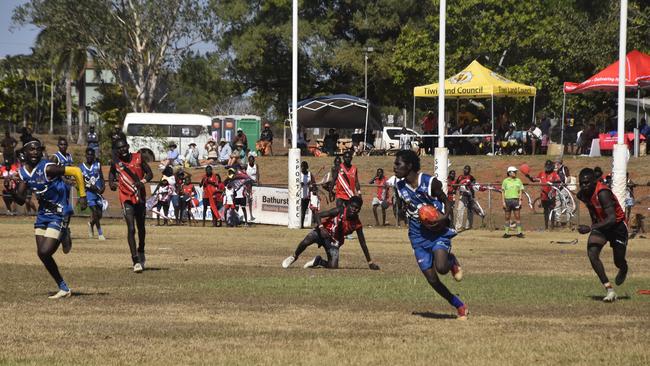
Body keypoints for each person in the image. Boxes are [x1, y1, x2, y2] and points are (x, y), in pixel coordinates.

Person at [391, 150, 467, 320]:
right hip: (417, 237)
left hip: (437, 232)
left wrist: (443, 217)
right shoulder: (400, 185)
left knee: (441, 268)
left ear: (409, 166)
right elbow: (406, 207)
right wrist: (406, 211)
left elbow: (447, 201)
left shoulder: (429, 182)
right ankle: (459, 304)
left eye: (398, 164)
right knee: (432, 280)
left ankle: (451, 260)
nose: (394, 167)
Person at [12, 138, 87, 299]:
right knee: (42, 254)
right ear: (24, 153)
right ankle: (63, 288)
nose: (34, 152)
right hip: (43, 214)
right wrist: (12, 191)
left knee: (46, 251)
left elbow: (76, 172)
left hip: (58, 212)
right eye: (30, 149)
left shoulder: (48, 167)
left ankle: (64, 233)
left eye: (37, 149)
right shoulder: (24, 172)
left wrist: (82, 195)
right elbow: (19, 199)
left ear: (41, 151)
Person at [282, 196, 380, 270]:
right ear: (348, 205)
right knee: (307, 240)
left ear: (359, 209)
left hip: (334, 241)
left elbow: (363, 243)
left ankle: (318, 261)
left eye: (357, 208)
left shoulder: (357, 224)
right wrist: (321, 228)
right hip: (322, 232)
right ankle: (294, 257)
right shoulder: (339, 211)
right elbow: (318, 216)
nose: (354, 209)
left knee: (333, 266)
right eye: (352, 206)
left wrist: (370, 262)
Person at [576, 168, 629, 302]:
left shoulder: (603, 192)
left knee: (618, 261)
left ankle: (624, 268)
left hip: (617, 227)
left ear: (594, 181)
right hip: (601, 227)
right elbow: (592, 207)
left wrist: (590, 227)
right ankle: (609, 290)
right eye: (581, 183)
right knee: (592, 253)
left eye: (587, 183)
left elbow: (611, 219)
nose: (584, 186)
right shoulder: (582, 194)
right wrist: (594, 223)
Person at [108, 139, 153, 273]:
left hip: (139, 196)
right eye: (119, 148)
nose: (122, 149)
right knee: (131, 228)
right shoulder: (116, 163)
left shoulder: (138, 157)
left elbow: (150, 173)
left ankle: (141, 250)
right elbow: (111, 173)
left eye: (124, 147)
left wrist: (142, 181)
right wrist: (111, 183)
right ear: (117, 151)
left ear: (127, 146)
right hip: (126, 197)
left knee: (141, 227)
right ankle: (135, 260)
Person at [525, 160, 561, 230]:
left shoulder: (554, 174)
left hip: (551, 195)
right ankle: (546, 227)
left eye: (549, 166)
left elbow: (558, 180)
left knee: (552, 210)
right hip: (543, 196)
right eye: (547, 166)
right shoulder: (542, 173)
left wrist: (552, 182)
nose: (548, 168)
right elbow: (534, 179)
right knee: (545, 211)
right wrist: (528, 176)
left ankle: (552, 226)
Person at [80, 148, 106, 240]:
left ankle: (91, 224)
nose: (90, 156)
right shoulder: (81, 167)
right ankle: (100, 234)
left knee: (99, 215)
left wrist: (103, 187)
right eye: (88, 154)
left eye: (92, 155)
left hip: (98, 192)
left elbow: (101, 177)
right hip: (89, 193)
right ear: (85, 155)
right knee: (94, 211)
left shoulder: (97, 165)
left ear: (94, 156)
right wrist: (90, 187)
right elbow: (81, 182)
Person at [501, 166, 525, 238]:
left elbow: (520, 191)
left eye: (515, 172)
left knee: (517, 216)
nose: (515, 173)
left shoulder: (518, 180)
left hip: (515, 200)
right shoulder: (505, 181)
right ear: (509, 172)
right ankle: (506, 232)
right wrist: (503, 202)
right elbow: (503, 192)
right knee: (507, 217)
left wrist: (520, 200)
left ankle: (519, 232)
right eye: (514, 172)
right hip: (507, 200)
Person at [454, 165, 478, 231]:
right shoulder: (460, 177)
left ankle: (469, 226)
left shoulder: (471, 177)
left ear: (469, 170)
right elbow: (455, 185)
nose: (466, 170)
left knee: (470, 211)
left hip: (470, 195)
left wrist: (471, 183)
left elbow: (474, 182)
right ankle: (458, 226)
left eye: (468, 169)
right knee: (460, 210)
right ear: (463, 169)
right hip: (463, 195)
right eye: (465, 169)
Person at [299, 161, 315, 228]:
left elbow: (314, 183)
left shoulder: (309, 174)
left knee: (312, 210)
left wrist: (310, 184)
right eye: (301, 166)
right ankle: (301, 225)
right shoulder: (299, 175)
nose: (302, 168)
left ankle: (316, 224)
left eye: (304, 167)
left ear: (307, 167)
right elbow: (295, 183)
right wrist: (300, 184)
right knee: (302, 210)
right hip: (301, 195)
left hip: (308, 195)